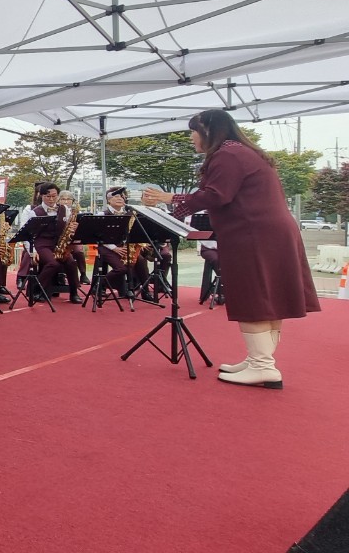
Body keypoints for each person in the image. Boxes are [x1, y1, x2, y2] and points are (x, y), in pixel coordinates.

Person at [143, 109, 319, 389]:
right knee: (269, 297)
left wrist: (170, 198)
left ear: (208, 131)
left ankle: (263, 366)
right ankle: (260, 359)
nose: (191, 138)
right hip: (270, 232)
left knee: (254, 298)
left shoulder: (227, 155)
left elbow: (216, 195)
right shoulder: (245, 152)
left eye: (193, 131)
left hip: (253, 234)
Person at [98, 187, 153, 301]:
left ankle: (145, 291)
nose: (120, 198)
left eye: (122, 196)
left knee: (141, 261)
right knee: (122, 268)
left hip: (125, 246)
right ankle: (100, 284)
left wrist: (139, 243)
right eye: (116, 196)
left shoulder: (130, 213)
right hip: (107, 247)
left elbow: (136, 232)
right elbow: (99, 235)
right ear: (108, 200)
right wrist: (114, 248)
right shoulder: (102, 214)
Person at [31, 182, 83, 304]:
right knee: (53, 263)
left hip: (59, 243)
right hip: (42, 244)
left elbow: (68, 226)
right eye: (48, 196)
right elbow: (29, 234)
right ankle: (37, 289)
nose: (51, 199)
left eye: (54, 196)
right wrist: (32, 251)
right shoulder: (35, 212)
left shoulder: (64, 209)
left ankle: (74, 292)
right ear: (41, 196)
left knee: (71, 262)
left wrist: (73, 227)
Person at [57, 189, 90, 286]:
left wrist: (77, 227)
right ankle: (62, 275)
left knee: (78, 251)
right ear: (59, 200)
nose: (66, 201)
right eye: (63, 199)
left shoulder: (75, 212)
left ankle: (83, 274)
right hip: (60, 239)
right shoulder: (57, 211)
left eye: (68, 199)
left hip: (74, 238)